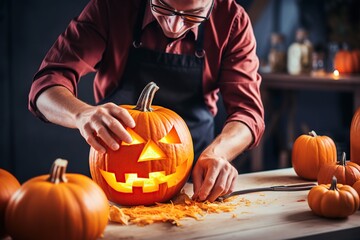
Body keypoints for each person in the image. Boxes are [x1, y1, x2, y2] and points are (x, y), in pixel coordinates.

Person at [28, 0, 264, 202]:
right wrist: (81, 114)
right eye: (162, 7)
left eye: (192, 15)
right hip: (119, 175)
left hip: (198, 181)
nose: (173, 27)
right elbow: (45, 87)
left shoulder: (232, 20)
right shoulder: (112, 7)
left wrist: (218, 153)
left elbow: (248, 114)